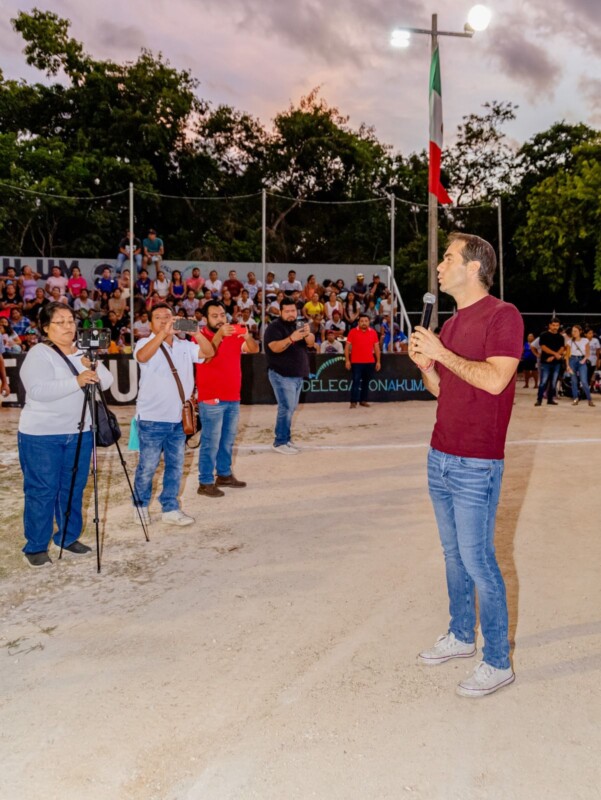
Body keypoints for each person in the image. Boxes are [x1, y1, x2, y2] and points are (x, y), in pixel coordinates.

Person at [409, 232, 523, 698]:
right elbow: (446, 389)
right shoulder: (452, 324)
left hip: (477, 461)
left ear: (474, 267)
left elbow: (496, 381)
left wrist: (441, 353)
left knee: (478, 559)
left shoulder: (504, 316)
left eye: (448, 258)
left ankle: (497, 661)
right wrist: (427, 366)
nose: (439, 266)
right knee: (453, 556)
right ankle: (460, 635)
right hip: (441, 455)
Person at [17, 302, 114, 567]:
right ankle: (36, 545)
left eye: (71, 320)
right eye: (60, 322)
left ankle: (67, 537)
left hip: (80, 432)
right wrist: (77, 380)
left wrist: (91, 363)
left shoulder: (83, 352)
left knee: (73, 487)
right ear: (46, 328)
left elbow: (106, 383)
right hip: (41, 436)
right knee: (42, 489)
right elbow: (37, 391)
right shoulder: (39, 353)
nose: (68, 326)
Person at [133, 303, 213, 526]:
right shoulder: (144, 342)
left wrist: (197, 332)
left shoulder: (185, 346)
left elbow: (208, 353)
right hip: (151, 419)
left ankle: (170, 507)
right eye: (158, 318)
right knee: (148, 467)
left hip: (179, 419)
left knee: (175, 467)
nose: (164, 320)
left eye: (168, 317)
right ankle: (139, 505)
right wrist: (162, 334)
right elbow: (142, 357)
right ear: (150, 323)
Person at [196, 300, 259, 497]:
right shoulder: (199, 337)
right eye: (215, 316)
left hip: (233, 396)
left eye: (222, 315)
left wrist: (247, 336)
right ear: (205, 318)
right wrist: (218, 336)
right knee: (210, 441)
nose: (220, 319)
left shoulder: (233, 333)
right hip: (211, 397)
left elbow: (254, 349)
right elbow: (206, 356)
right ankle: (205, 481)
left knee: (227, 440)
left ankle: (223, 474)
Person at [264, 297, 315, 454]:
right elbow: (274, 348)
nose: (291, 314)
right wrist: (292, 338)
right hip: (281, 374)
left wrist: (306, 334)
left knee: (291, 408)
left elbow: (311, 343)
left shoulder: (299, 324)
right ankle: (279, 442)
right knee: (286, 408)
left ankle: (286, 439)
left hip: (297, 375)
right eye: (287, 311)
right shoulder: (274, 328)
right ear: (280, 312)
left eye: (293, 310)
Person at [345, 313, 381, 408]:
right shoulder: (352, 332)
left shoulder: (373, 332)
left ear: (369, 322)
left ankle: (363, 400)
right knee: (356, 382)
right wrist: (347, 361)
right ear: (358, 322)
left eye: (366, 321)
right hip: (356, 362)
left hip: (370, 361)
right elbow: (347, 347)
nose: (364, 323)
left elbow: (376, 348)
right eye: (362, 321)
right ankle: (353, 402)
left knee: (366, 382)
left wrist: (378, 361)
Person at [535, 318, 565, 406]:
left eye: (557, 325)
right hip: (545, 362)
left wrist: (553, 356)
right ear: (550, 325)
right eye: (554, 325)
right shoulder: (544, 335)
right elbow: (543, 347)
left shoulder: (560, 337)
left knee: (553, 382)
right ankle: (539, 400)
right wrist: (555, 354)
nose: (555, 327)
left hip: (556, 363)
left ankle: (550, 399)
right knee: (543, 382)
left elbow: (562, 348)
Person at [566, 325, 595, 407]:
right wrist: (567, 366)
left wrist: (584, 359)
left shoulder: (585, 340)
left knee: (584, 381)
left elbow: (588, 352)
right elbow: (567, 355)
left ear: (580, 332)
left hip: (582, 361)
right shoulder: (569, 342)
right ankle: (575, 398)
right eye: (573, 331)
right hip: (572, 361)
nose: (573, 333)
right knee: (574, 381)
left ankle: (589, 399)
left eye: (575, 331)